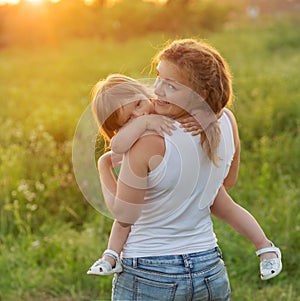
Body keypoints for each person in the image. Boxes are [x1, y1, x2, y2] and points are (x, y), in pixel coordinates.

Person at [89, 38, 282, 299]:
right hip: (209, 270)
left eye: (171, 85)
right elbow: (224, 184)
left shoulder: (146, 142)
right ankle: (265, 247)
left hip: (149, 274)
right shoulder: (225, 121)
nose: (157, 90)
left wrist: (103, 167)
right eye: (158, 77)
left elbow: (124, 212)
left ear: (197, 94)